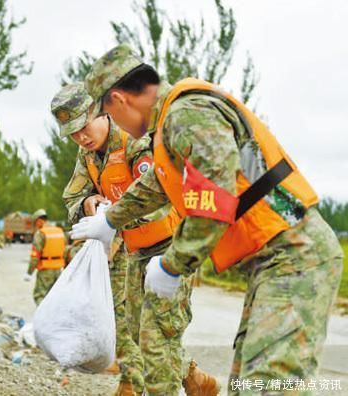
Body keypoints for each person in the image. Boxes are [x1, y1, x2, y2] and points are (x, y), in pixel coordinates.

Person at [72, 43, 343, 393]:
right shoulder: (171, 128)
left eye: (106, 113)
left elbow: (215, 195)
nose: (113, 125)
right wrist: (110, 221)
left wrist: (173, 264)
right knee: (249, 383)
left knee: (266, 386)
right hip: (276, 259)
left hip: (295, 255)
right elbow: (157, 183)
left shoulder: (187, 114)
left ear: (119, 100)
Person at [52, 82, 218, 396]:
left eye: (83, 128)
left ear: (100, 112)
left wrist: (114, 215)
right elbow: (73, 197)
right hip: (136, 251)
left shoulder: (135, 143)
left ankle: (148, 386)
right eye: (72, 133)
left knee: (159, 335)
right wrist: (89, 205)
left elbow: (159, 199)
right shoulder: (87, 155)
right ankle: (194, 379)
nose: (81, 137)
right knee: (138, 330)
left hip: (170, 248)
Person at [24, 209, 66, 305]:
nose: (37, 226)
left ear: (39, 220)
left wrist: (29, 272)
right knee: (54, 297)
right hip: (58, 270)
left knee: (39, 296)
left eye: (36, 223)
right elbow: (65, 250)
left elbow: (35, 256)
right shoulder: (59, 231)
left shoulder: (41, 233)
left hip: (45, 270)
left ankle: (42, 318)